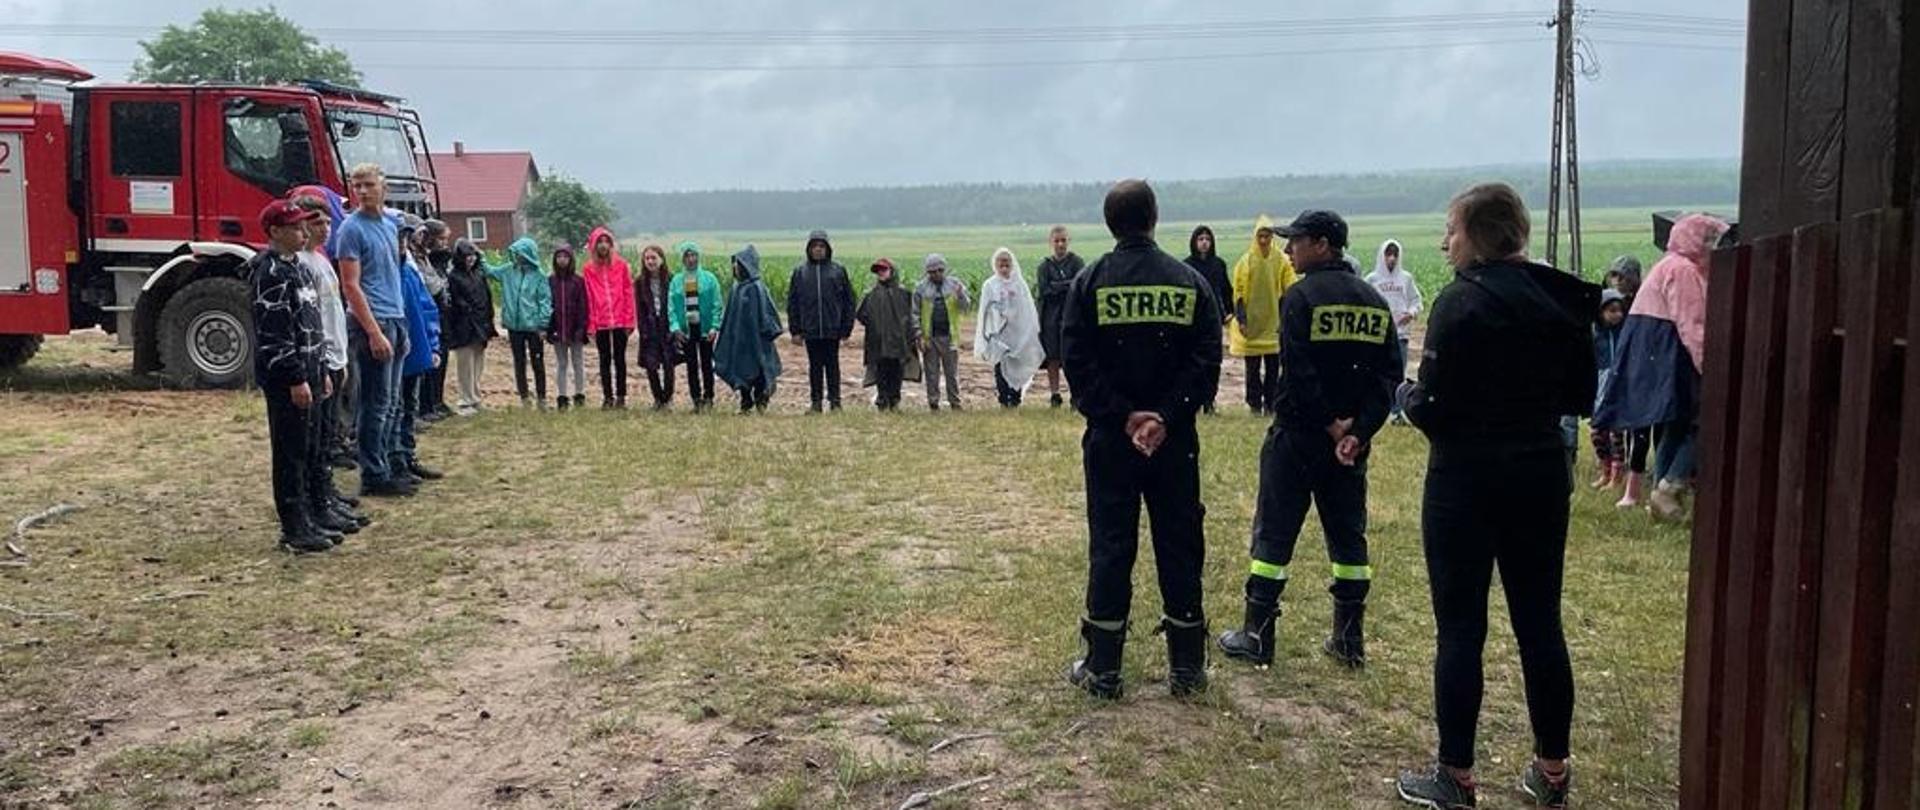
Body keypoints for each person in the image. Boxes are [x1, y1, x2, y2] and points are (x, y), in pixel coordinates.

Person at [1393, 183, 1598, 809]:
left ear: (1478, 235)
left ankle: (1455, 776)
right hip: (1539, 474)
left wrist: (1404, 397)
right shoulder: (1561, 297)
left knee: (1461, 629)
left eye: (1451, 231)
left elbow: (1433, 407)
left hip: (1465, 481)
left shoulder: (1461, 302)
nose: (1444, 242)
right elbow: (1581, 397)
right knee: (1542, 625)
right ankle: (1552, 771)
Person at [1217, 211, 1401, 671]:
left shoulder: (1300, 299)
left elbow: (1297, 373)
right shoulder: (1374, 302)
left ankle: (1257, 635)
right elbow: (1388, 379)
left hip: (1298, 439)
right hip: (1350, 451)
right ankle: (1349, 639)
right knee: (1348, 541)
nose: (1287, 250)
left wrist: (1331, 425)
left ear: (1322, 244)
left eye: (1295, 241)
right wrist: (1358, 432)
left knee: (1274, 536)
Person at [1060, 179, 1223, 699]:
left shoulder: (1089, 283)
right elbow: (1207, 360)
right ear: (1154, 218)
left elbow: (1077, 363)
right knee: (1180, 543)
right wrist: (1166, 418)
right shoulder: (1190, 281)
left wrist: (1125, 418)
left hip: (1112, 442)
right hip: (1174, 443)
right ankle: (1188, 668)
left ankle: (1103, 669)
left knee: (1111, 544)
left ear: (1111, 225)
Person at [1595, 214, 1726, 522]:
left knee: (1674, 426)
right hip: (1671, 354)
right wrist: (1710, 369)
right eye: (1709, 240)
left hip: (1654, 352)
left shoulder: (1666, 265)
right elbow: (1692, 324)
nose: (1713, 247)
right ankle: (1669, 487)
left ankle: (1660, 497)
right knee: (1701, 421)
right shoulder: (1683, 270)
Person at [249, 200, 336, 552]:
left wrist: (322, 369)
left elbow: (311, 322)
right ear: (275, 232)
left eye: (304, 227)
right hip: (288, 377)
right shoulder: (269, 273)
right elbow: (276, 334)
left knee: (311, 445)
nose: (303, 233)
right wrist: (295, 377)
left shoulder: (298, 268)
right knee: (291, 451)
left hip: (313, 369)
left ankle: (312, 514)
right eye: (296, 228)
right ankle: (294, 526)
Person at [333, 164, 413, 498]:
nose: (362, 191)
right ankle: (373, 473)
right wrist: (372, 332)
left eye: (368, 185)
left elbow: (393, 272)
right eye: (357, 186)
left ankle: (393, 463)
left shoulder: (391, 225)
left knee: (393, 401)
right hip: (373, 321)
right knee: (376, 402)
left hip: (395, 316)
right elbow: (351, 285)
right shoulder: (351, 230)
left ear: (383, 187)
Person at [291, 194, 367, 540]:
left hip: (334, 357)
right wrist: (320, 363)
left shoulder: (321, 259)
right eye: (316, 222)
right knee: (310, 438)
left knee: (326, 436)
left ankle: (326, 496)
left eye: (327, 221)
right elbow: (309, 320)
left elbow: (334, 312)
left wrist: (340, 359)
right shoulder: (300, 264)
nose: (325, 227)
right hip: (315, 360)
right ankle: (312, 503)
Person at [393, 215, 443, 484]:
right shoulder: (383, 273)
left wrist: (433, 343)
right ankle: (393, 462)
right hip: (394, 349)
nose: (404, 243)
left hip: (415, 349)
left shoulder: (410, 271)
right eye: (399, 237)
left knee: (408, 407)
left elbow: (427, 308)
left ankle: (408, 457)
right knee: (393, 408)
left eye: (406, 238)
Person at [1229, 216, 1296, 414]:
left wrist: (1287, 316)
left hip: (1274, 322)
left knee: (1273, 368)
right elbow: (1239, 293)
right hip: (1252, 323)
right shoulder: (1246, 261)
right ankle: (1254, 404)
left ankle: (1271, 403)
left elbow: (1290, 287)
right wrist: (1241, 319)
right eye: (1261, 236)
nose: (1264, 240)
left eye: (1267, 236)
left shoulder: (1281, 261)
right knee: (1252, 368)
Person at [1601, 255, 1652, 506]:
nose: (1617, 281)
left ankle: (1636, 486)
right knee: (1621, 430)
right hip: (1622, 371)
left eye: (1622, 276)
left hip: (1644, 371)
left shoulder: (1644, 301)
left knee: (1643, 431)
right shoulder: (1613, 302)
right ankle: (1621, 477)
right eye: (1615, 275)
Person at [787, 230, 855, 412]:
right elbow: (793, 302)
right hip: (810, 329)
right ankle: (816, 402)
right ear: (809, 249)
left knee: (833, 366)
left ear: (828, 248)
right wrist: (795, 330)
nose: (818, 250)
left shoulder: (838, 271)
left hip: (832, 328)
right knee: (814, 367)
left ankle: (835, 402)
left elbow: (849, 301)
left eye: (821, 246)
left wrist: (846, 328)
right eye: (814, 246)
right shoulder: (800, 272)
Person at [714, 245, 782, 413]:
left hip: (756, 341)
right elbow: (730, 315)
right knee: (740, 371)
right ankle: (745, 402)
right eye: (734, 264)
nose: (734, 267)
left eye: (738, 263)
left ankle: (761, 400)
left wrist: (768, 331)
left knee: (759, 371)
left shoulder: (757, 288)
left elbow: (767, 313)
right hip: (739, 341)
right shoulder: (737, 288)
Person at [976, 248, 1045, 408]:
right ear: (995, 264)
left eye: (1007, 263)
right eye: (1001, 263)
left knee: (1018, 365)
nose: (1004, 266)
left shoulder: (1019, 284)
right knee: (1000, 366)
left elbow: (1027, 307)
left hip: (1017, 332)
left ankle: (1015, 398)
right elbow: (985, 310)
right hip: (998, 334)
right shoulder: (989, 285)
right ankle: (1003, 398)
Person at [489, 236, 553, 409]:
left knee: (537, 361)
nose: (518, 256)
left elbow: (545, 302)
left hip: (533, 327)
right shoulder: (508, 271)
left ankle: (542, 397)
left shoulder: (539, 276)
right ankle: (524, 397)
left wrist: (543, 325)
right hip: (514, 326)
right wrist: (477, 257)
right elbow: (490, 271)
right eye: (516, 253)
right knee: (519, 361)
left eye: (521, 253)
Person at [1365, 239, 1422, 424]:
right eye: (1388, 254)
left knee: (1398, 371)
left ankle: (1397, 412)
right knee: (1378, 372)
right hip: (1379, 333)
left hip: (1401, 333)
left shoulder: (1406, 279)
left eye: (1395, 255)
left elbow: (1417, 301)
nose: (1392, 259)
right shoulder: (1372, 279)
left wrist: (1411, 314)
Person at [856, 258, 919, 411]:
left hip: (899, 341)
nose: (881, 273)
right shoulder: (871, 295)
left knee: (896, 372)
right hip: (877, 342)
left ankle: (894, 401)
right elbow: (861, 314)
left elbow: (912, 315)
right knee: (880, 372)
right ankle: (882, 400)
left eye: (884, 270)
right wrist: (875, 327)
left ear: (892, 271)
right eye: (878, 271)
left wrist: (909, 334)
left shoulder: (904, 294)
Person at [442, 238, 497, 416]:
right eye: (467, 256)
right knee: (465, 364)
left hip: (481, 324)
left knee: (478, 363)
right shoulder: (453, 277)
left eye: (473, 255)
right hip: (463, 326)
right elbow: (454, 303)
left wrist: (489, 320)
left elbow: (487, 298)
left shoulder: (479, 274)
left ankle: (475, 396)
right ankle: (465, 399)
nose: (471, 259)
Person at [584, 226, 636, 409]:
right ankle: (608, 397)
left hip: (620, 320)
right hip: (601, 322)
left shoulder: (621, 265)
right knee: (604, 359)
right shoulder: (589, 269)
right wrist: (591, 324)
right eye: (600, 242)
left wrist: (630, 320)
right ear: (594, 245)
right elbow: (589, 297)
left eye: (607, 242)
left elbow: (628, 292)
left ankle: (621, 397)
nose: (604, 245)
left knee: (620, 359)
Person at [1184, 225, 1233, 415]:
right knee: (1193, 361)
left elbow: (1226, 290)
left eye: (1207, 239)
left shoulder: (1218, 264)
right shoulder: (1187, 266)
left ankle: (1209, 401)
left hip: (1215, 320)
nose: (1204, 243)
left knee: (1214, 362)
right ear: (1194, 242)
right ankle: (1193, 399)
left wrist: (1229, 311)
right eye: (1200, 239)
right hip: (1193, 321)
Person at [913, 254, 971, 411]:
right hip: (929, 337)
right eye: (932, 271)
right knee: (932, 373)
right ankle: (933, 403)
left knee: (951, 373)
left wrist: (960, 295)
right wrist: (918, 335)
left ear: (944, 269)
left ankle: (955, 403)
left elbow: (965, 308)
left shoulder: (954, 285)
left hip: (949, 336)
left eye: (939, 270)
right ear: (927, 272)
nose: (936, 274)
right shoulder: (920, 288)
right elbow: (915, 313)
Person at [669, 241, 722, 412]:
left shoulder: (709, 279)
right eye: (687, 256)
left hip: (705, 328)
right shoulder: (676, 281)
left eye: (694, 255)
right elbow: (670, 307)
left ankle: (709, 398)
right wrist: (675, 328)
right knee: (691, 365)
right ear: (682, 259)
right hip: (686, 330)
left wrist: (715, 326)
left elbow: (717, 304)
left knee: (707, 364)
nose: (691, 259)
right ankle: (696, 399)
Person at [1036, 225, 1085, 409]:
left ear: (1068, 241)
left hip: (1072, 316)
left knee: (1072, 356)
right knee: (1053, 357)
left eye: (1063, 240)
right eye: (1056, 241)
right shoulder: (1044, 266)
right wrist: (1065, 286)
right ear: (1051, 243)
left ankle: (1075, 394)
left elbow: (1078, 287)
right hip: (1050, 318)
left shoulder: (1077, 262)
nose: (1060, 244)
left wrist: (1059, 285)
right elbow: (1045, 290)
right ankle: (1055, 394)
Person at [1589, 290, 1628, 490]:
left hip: (1618, 389)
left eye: (1620, 310)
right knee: (1597, 433)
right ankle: (1605, 469)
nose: (1617, 315)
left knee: (1616, 435)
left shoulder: (1625, 333)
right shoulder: (1595, 334)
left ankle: (1616, 474)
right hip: (1600, 389)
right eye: (1611, 310)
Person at [417, 219, 455, 423]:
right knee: (430, 362)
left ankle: (438, 400)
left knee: (443, 359)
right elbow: (433, 285)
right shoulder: (422, 259)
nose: (444, 244)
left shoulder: (438, 259)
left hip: (443, 315)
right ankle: (427, 404)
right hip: (430, 315)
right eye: (440, 239)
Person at [634, 244, 678, 411]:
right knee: (651, 365)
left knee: (668, 363)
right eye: (647, 258)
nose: (650, 261)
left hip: (667, 325)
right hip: (650, 327)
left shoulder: (671, 279)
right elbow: (639, 308)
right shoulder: (640, 282)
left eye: (654, 258)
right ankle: (657, 398)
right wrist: (643, 330)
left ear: (661, 259)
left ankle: (668, 398)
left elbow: (676, 303)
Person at [547, 244, 590, 411]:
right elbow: (548, 305)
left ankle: (580, 394)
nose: (562, 260)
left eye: (565, 256)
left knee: (578, 362)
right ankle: (562, 396)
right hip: (558, 328)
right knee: (561, 363)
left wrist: (582, 328)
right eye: (559, 257)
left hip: (575, 329)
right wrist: (549, 328)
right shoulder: (550, 281)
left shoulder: (578, 281)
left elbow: (583, 306)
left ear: (571, 259)